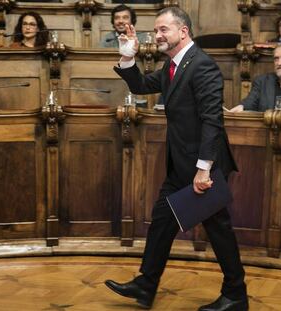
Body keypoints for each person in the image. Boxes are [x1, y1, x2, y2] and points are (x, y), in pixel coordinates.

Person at [104, 7, 248, 311]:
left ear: (183, 31)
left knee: (218, 230)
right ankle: (146, 285)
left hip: (201, 167)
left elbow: (212, 121)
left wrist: (203, 169)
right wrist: (128, 57)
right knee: (162, 221)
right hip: (180, 166)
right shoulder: (173, 66)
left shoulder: (203, 66)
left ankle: (236, 295)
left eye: (163, 30)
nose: (157, 36)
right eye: (156, 30)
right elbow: (141, 85)